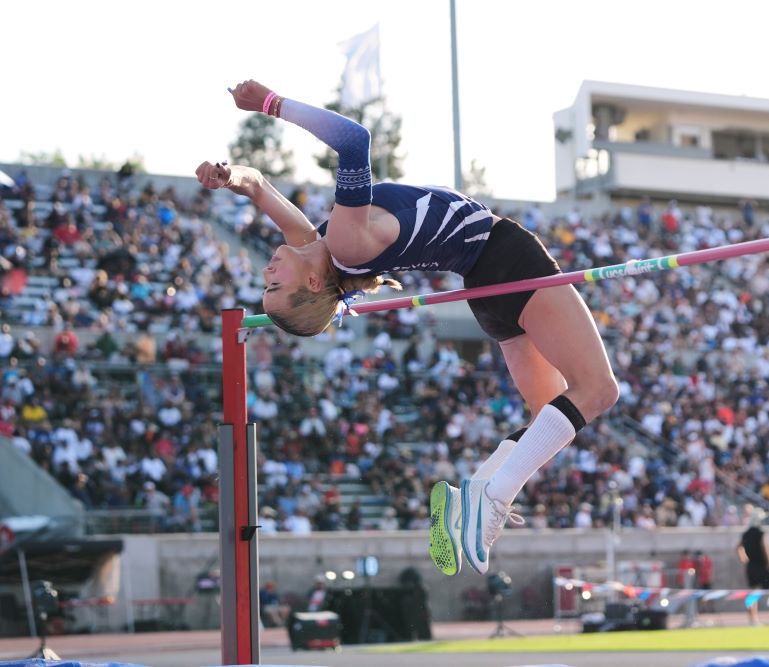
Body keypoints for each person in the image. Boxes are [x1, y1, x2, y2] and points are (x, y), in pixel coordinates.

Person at [198, 80, 619, 577]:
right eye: (274, 287)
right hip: (506, 258)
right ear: (312, 281)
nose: (266, 274)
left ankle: (476, 497)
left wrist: (229, 176)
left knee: (545, 415)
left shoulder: (319, 244)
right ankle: (495, 497)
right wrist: (270, 104)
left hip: (484, 288)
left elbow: (259, 186)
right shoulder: (347, 242)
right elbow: (354, 140)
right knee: (597, 390)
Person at [736, 508, 769, 625]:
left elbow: (738, 547)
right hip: (763, 567)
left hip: (751, 567)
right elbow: (767, 551)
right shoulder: (762, 533)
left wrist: (745, 559)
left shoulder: (746, 534)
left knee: (753, 594)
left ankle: (753, 620)